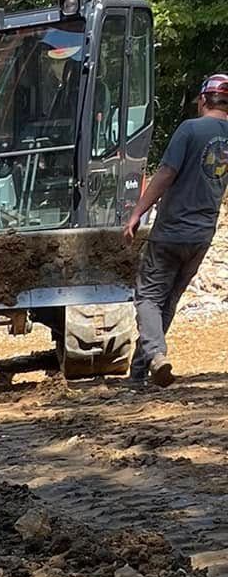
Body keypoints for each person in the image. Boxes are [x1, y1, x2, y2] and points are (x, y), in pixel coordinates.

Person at [123, 73, 228, 388]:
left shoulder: (190, 129)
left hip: (171, 231)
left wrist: (136, 214)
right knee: (168, 301)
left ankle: (156, 354)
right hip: (202, 236)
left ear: (202, 100)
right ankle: (140, 372)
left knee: (148, 297)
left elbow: (166, 173)